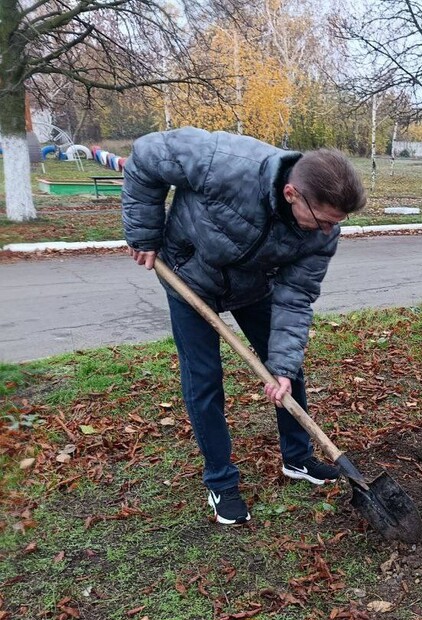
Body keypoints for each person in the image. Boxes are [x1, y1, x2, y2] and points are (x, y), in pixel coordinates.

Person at [122, 127, 367, 525]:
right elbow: (146, 157)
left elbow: (297, 296)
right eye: (322, 220)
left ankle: (298, 458)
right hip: (188, 274)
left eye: (334, 223)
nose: (328, 231)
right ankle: (221, 481)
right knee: (204, 379)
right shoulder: (226, 161)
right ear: (292, 194)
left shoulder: (324, 232)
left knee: (288, 369)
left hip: (254, 286)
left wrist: (282, 369)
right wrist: (143, 234)